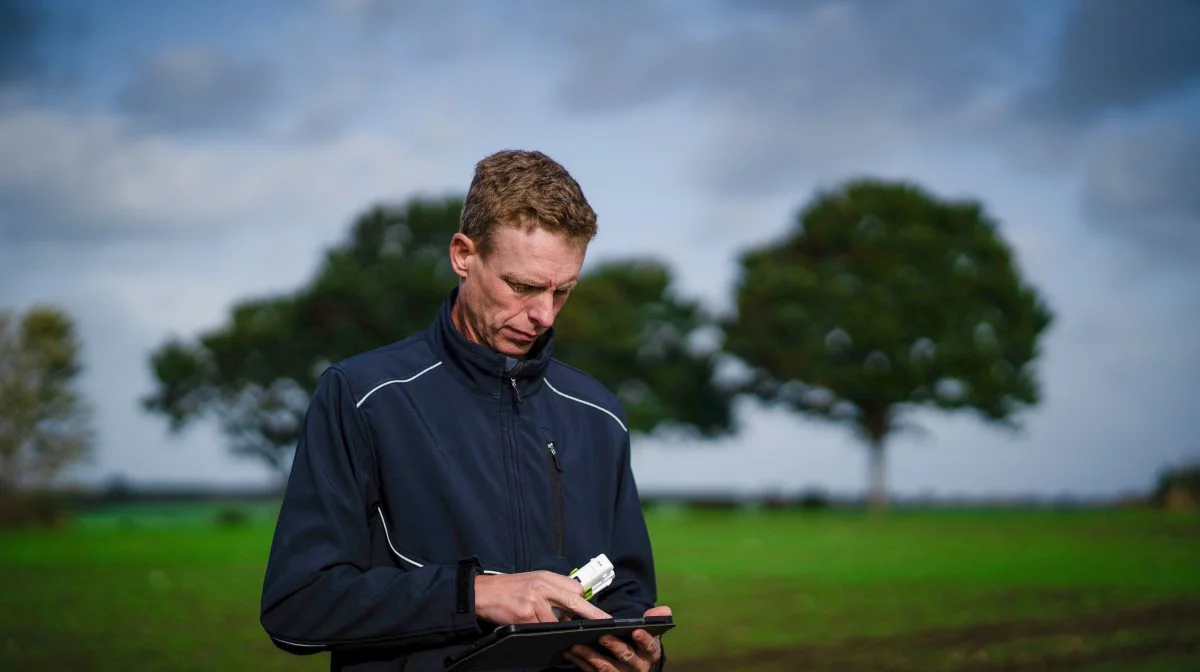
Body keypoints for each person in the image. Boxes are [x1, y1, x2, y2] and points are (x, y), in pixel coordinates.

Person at [260, 149, 671, 671]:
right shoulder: (363, 396)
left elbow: (625, 590)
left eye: (562, 291)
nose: (543, 314)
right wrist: (474, 596)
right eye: (522, 286)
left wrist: (641, 654)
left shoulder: (599, 413)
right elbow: (296, 606)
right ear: (463, 255)